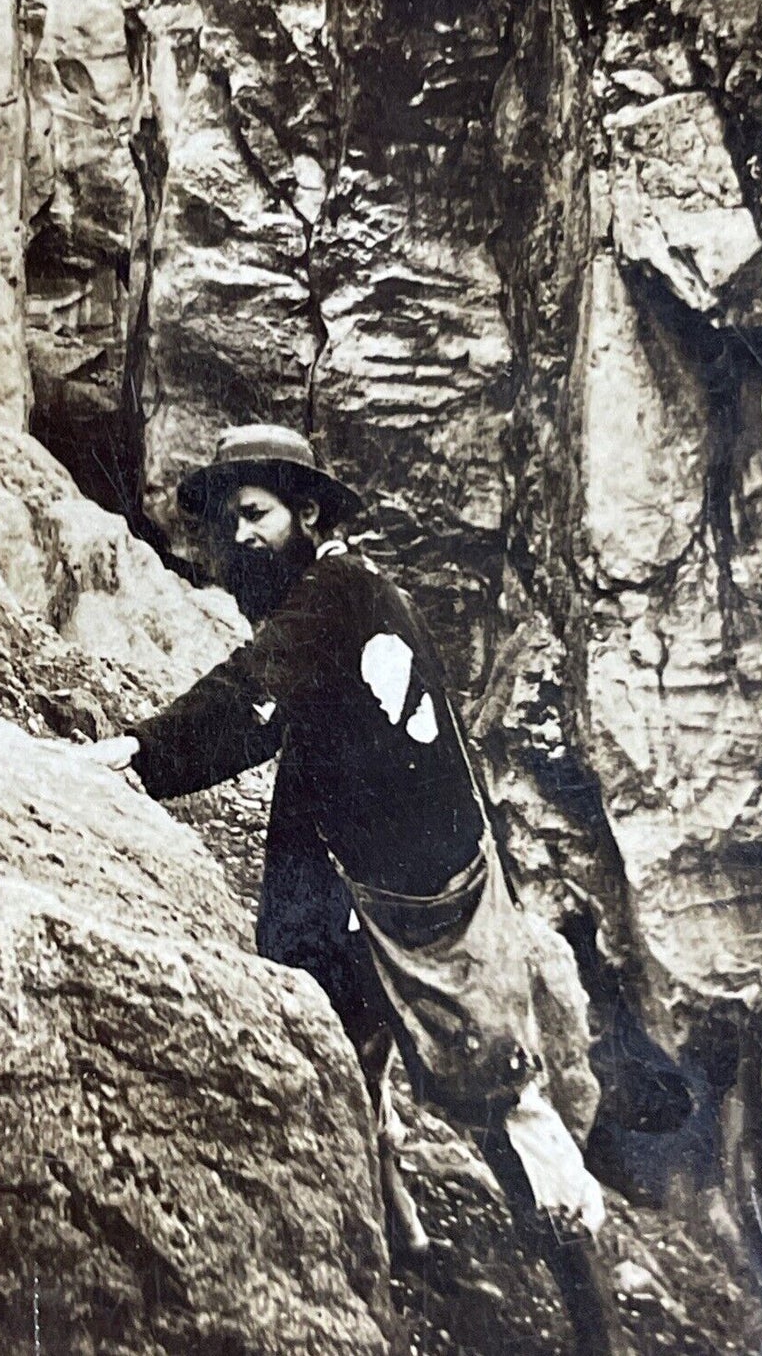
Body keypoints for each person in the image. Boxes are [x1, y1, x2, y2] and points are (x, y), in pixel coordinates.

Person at [81, 424, 625, 1356]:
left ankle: (592, 1323)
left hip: (423, 897)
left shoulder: (337, 593)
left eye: (255, 514)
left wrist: (138, 755)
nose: (238, 536)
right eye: (226, 522)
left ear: (309, 512)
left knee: (501, 1095)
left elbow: (249, 696)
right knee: (347, 1054)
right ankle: (395, 1227)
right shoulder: (341, 591)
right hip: (367, 876)